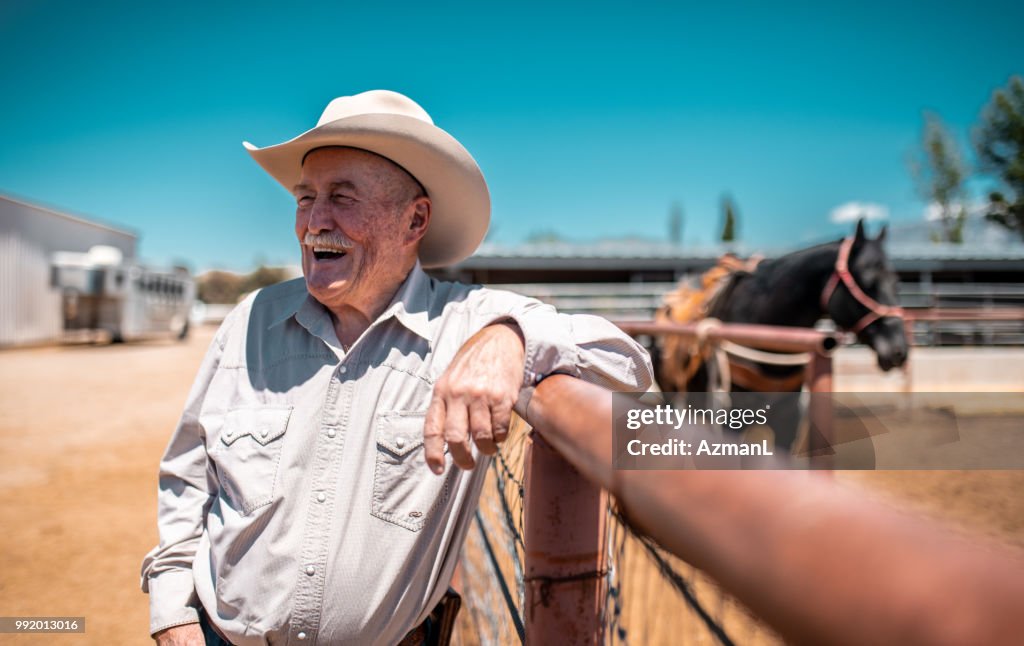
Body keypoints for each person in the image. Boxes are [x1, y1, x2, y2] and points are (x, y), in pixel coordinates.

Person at [141, 90, 653, 645]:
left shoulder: (468, 322)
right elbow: (190, 474)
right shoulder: (250, 321)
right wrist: (173, 613)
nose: (315, 221)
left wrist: (511, 338)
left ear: (414, 220)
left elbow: (629, 362)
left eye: (342, 196)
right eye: (305, 197)